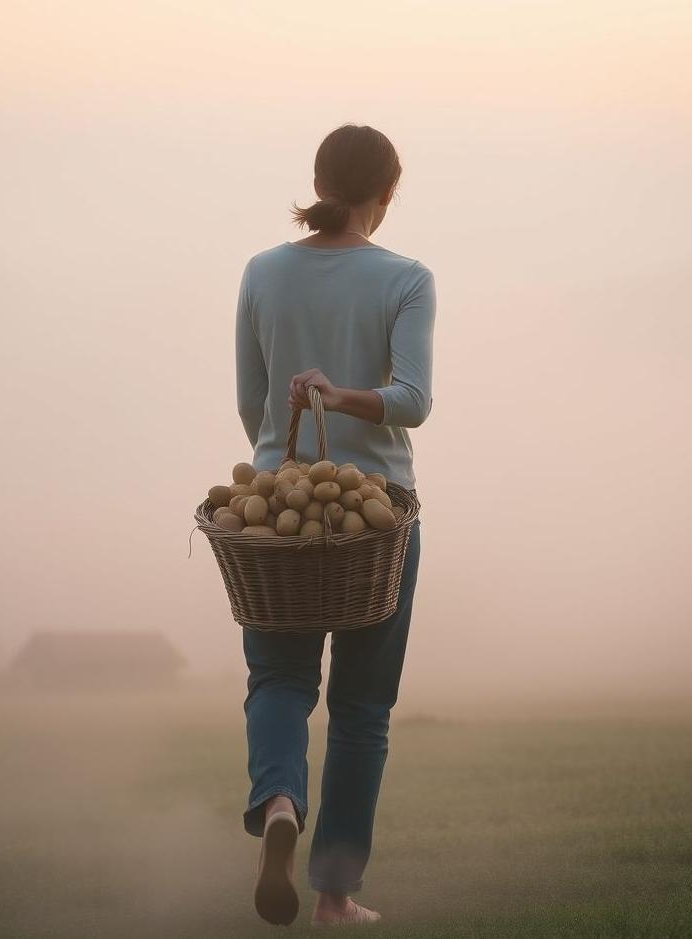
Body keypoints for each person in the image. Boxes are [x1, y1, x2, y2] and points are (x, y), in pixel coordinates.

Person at [234, 123, 436, 927]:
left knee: (279, 679)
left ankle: (279, 799)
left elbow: (252, 404)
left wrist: (289, 436)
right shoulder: (406, 279)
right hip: (375, 516)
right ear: (385, 194)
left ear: (318, 181)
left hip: (278, 512)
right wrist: (348, 397)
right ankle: (333, 894)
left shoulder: (262, 272)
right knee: (361, 708)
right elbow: (413, 400)